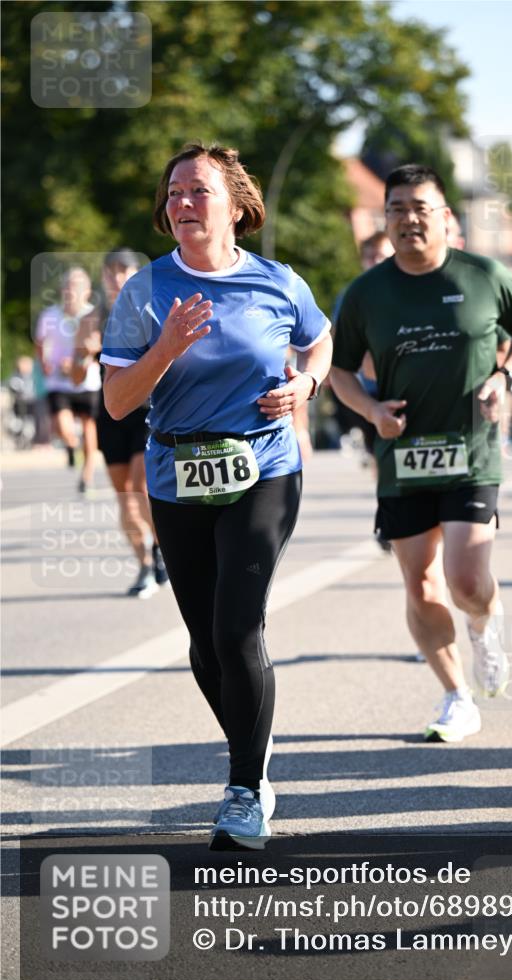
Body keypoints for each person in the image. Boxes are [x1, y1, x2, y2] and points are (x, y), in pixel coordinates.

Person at [101, 143, 332, 849]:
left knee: (237, 628)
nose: (180, 204)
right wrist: (165, 347)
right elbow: (116, 403)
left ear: (234, 206)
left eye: (196, 191)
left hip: (263, 467)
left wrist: (306, 385)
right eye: (172, 193)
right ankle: (256, 764)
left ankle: (241, 790)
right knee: (204, 642)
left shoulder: (276, 281)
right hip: (176, 472)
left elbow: (320, 342)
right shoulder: (144, 291)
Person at [330, 163, 512, 743]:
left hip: (471, 450)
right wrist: (371, 411)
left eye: (420, 208)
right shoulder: (366, 293)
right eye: (396, 209)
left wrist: (505, 376)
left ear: (446, 218)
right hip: (402, 458)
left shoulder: (484, 274)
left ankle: (484, 623)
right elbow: (339, 370)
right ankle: (456, 696)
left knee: (467, 580)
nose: (408, 219)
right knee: (420, 584)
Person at [73, 250, 168, 598]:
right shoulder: (92, 319)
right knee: (125, 497)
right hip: (109, 413)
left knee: (141, 490)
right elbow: (74, 374)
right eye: (111, 272)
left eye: (124, 271)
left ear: (137, 275)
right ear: (103, 276)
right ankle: (144, 564)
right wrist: (84, 354)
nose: (117, 278)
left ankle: (161, 549)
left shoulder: (148, 312)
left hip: (144, 410)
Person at [33, 266, 101, 492]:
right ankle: (71, 444)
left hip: (87, 381)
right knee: (62, 426)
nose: (71, 291)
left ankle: (87, 476)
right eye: (68, 287)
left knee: (89, 428)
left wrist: (86, 357)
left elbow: (100, 344)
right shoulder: (50, 315)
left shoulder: (93, 314)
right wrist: (45, 362)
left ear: (87, 291)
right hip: (58, 381)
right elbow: (40, 341)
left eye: (77, 287)